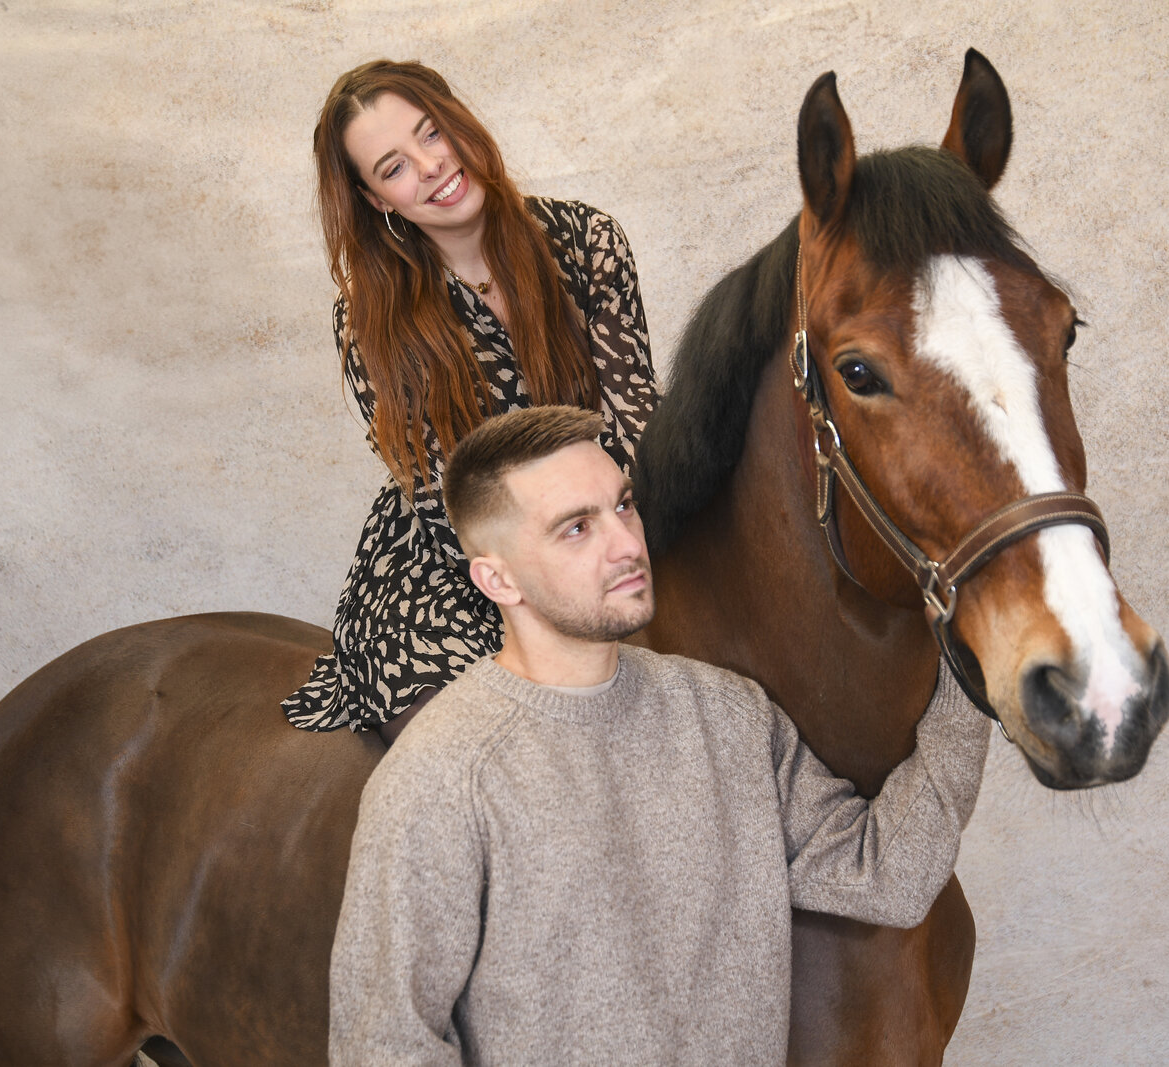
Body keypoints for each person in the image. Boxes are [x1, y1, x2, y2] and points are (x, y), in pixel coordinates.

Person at [328, 406, 992, 1066]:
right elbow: (385, 1044)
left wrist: (975, 667)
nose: (625, 543)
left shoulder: (728, 717)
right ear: (497, 579)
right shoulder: (443, 773)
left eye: (623, 506)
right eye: (576, 528)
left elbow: (887, 876)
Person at [281, 60, 658, 738]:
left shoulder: (589, 242)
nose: (428, 166)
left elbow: (634, 425)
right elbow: (443, 494)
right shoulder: (371, 318)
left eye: (431, 133)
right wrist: (552, 591)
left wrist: (602, 547)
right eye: (392, 167)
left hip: (603, 526)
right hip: (457, 566)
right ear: (376, 201)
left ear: (459, 122)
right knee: (499, 748)